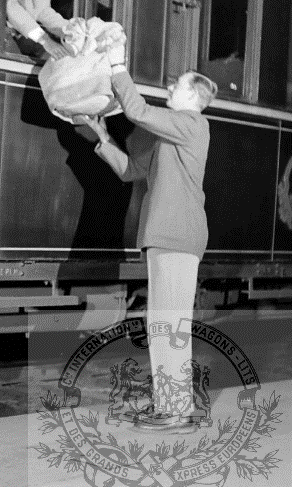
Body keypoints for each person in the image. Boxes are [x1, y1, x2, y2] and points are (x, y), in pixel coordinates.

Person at [83, 50, 218, 433]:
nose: (170, 87)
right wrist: (103, 138)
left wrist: (118, 68)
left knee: (169, 326)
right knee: (162, 325)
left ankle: (175, 412)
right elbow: (131, 171)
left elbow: (139, 111)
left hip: (177, 235)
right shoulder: (170, 134)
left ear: (193, 97)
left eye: (177, 85)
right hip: (165, 238)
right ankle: (170, 407)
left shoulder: (192, 124)